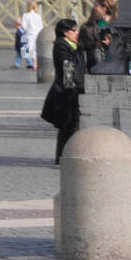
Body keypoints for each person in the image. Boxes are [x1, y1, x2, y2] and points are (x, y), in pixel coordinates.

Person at [41, 18, 85, 164]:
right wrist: (80, 49)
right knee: (68, 125)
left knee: (70, 124)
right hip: (65, 91)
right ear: (65, 32)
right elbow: (69, 65)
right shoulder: (61, 46)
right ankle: (63, 157)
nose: (77, 33)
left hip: (71, 90)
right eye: (74, 30)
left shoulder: (71, 44)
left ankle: (63, 157)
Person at [19, 0, 42, 70]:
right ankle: (37, 63)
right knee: (37, 48)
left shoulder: (26, 15)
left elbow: (23, 25)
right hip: (37, 32)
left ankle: (34, 63)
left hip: (30, 33)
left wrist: (26, 30)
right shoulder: (38, 15)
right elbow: (41, 25)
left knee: (30, 49)